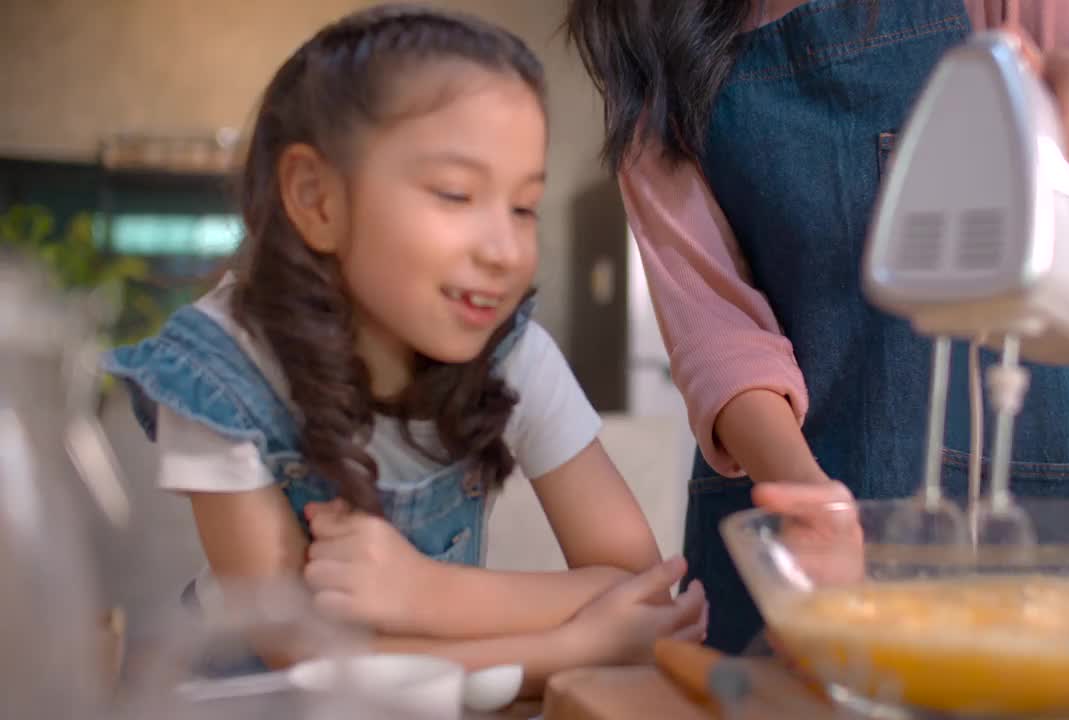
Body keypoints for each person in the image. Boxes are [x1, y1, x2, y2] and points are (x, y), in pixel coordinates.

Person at [566, 0, 1069, 653]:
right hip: (787, 505)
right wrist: (810, 502)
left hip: (1020, 498)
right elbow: (717, 334)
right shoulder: (650, 43)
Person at [104, 4, 705, 693]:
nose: (505, 251)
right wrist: (568, 646)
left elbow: (641, 584)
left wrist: (423, 592)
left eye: (523, 207)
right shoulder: (218, 370)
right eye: (456, 194)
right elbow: (302, 661)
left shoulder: (514, 357)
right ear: (317, 198)